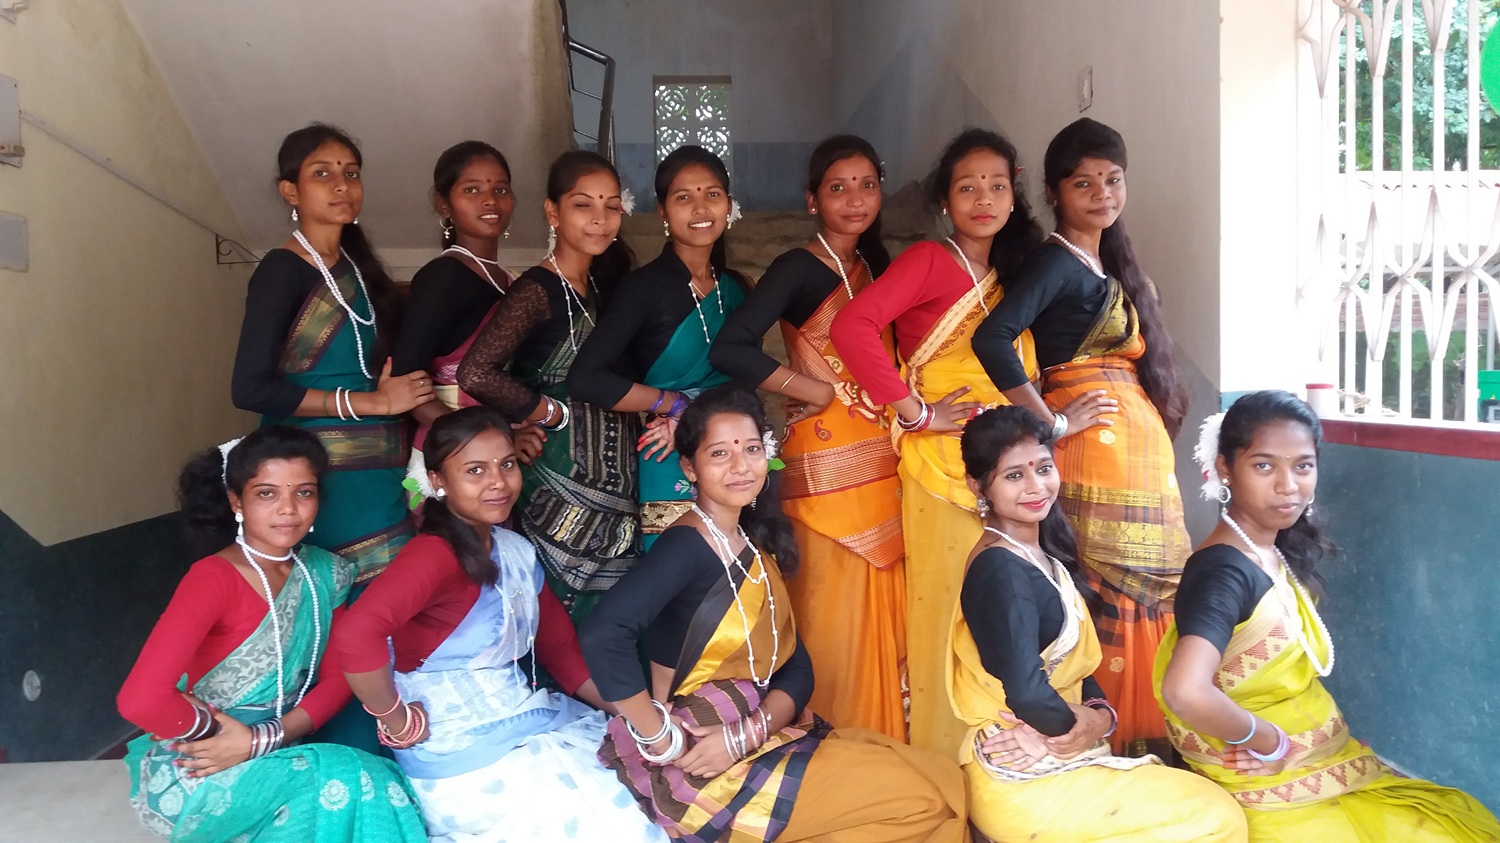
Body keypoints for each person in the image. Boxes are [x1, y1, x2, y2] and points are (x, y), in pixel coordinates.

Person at [580, 386, 968, 842]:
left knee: (933, 779)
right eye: (720, 453)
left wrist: (748, 733)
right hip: (702, 758)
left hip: (758, 734)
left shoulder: (750, 544)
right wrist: (660, 738)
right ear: (690, 468)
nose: (740, 466)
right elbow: (603, 633)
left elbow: (796, 668)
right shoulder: (687, 545)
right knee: (923, 802)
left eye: (751, 449)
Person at [831, 128, 1105, 756]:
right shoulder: (930, 261)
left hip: (1010, 464)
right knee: (948, 615)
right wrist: (915, 413)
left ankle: (1025, 747)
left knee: (1012, 620)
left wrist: (1057, 425)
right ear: (943, 200)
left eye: (997, 186)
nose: (983, 199)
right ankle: (949, 763)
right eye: (967, 187)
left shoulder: (1011, 277)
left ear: (1015, 195)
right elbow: (853, 326)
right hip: (943, 469)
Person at [1155, 390, 1500, 841]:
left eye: (1303, 465)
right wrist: (1266, 740)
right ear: (1225, 468)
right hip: (1270, 781)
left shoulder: (1265, 550)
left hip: (1323, 765)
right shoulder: (1225, 570)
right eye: (1264, 466)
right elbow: (1185, 691)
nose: (1288, 485)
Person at [331, 407, 666, 842]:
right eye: (475, 470)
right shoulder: (435, 554)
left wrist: (644, 719)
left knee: (645, 787)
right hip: (459, 755)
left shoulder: (513, 549)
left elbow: (562, 654)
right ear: (437, 480)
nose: (498, 482)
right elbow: (357, 633)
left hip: (524, 725)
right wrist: (397, 721)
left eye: (506, 464)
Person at [971, 117, 1186, 755]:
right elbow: (993, 338)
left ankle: (1152, 736)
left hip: (1134, 450)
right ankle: (1111, 739)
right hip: (1093, 449)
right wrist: (1052, 424)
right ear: (1053, 192)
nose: (1102, 194)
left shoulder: (1104, 263)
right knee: (1113, 587)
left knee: (1153, 590)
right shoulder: (1056, 263)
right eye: (1083, 182)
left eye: (1113, 180)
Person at [950, 407, 1246, 842]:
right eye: (1014, 476)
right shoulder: (1001, 568)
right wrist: (1074, 730)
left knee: (1205, 805)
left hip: (1052, 744)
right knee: (1212, 817)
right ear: (979, 487)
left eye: (1044, 468)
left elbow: (1077, 670)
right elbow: (1027, 694)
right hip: (1021, 765)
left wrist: (1101, 718)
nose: (1036, 486)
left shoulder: (1038, 555)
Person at [117, 427, 425, 842]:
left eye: (304, 492)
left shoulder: (325, 572)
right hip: (205, 762)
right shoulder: (212, 579)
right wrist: (218, 735)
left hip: (278, 751)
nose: (288, 509)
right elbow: (140, 699)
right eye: (266, 493)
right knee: (349, 778)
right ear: (236, 502)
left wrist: (262, 739)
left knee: (363, 783)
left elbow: (339, 678)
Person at [709, 134, 906, 739]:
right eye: (838, 188)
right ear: (812, 200)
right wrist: (809, 388)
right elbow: (730, 347)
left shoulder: (877, 269)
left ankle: (887, 747)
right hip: (822, 465)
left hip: (885, 458)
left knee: (885, 608)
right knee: (831, 612)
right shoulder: (798, 267)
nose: (855, 199)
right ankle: (834, 745)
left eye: (867, 185)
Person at [230, 123, 427, 584]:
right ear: (290, 191)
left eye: (351, 173)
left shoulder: (361, 271)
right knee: (337, 594)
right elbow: (250, 388)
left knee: (396, 594)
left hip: (382, 470)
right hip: (315, 473)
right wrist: (372, 403)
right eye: (322, 173)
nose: (342, 185)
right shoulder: (281, 271)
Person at [458, 151, 641, 620]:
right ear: (552, 212)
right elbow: (476, 372)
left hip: (617, 480)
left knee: (615, 615)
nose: (600, 218)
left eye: (611, 206)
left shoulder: (601, 288)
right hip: (557, 478)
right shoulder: (537, 289)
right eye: (583, 205)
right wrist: (546, 413)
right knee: (559, 610)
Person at [566, 145, 748, 549]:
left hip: (735, 453)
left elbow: (748, 379)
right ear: (663, 212)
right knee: (681, 570)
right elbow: (586, 378)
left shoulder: (737, 288)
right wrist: (673, 405)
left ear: (729, 205)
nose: (700, 208)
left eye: (712, 194)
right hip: (671, 448)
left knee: (740, 570)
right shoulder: (643, 287)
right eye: (684, 197)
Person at [392, 140, 516, 452]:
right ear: (443, 205)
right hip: (453, 451)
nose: (490, 200)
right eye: (472, 190)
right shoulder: (441, 278)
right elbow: (406, 382)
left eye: (500, 190)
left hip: (503, 447)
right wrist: (478, 439)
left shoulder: (511, 280)